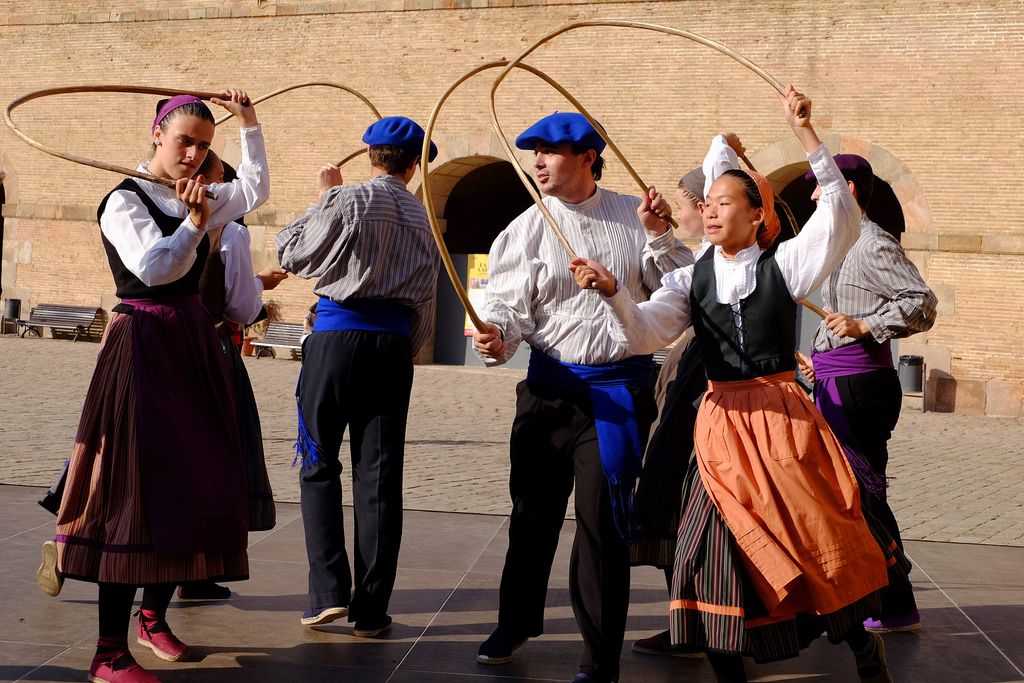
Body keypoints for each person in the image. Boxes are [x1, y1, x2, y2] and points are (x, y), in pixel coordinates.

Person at [570, 86, 905, 683]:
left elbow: (840, 214)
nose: (714, 209)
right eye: (709, 203)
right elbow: (645, 334)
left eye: (727, 201)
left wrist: (806, 133)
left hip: (783, 423)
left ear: (757, 216)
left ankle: (861, 645)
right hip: (721, 431)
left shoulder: (786, 264)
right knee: (708, 552)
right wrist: (615, 293)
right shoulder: (688, 280)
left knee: (820, 538)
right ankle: (728, 670)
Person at [48, 90, 269, 683]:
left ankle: (154, 614)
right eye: (184, 142)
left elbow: (253, 191)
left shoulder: (200, 192)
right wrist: (196, 225)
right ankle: (107, 651)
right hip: (143, 341)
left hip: (192, 344)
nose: (195, 154)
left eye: (204, 144)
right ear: (156, 135)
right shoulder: (124, 200)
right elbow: (155, 268)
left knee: (194, 478)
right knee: (133, 488)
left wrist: (248, 123)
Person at [472, 111, 691, 683]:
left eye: (550, 152)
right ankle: (516, 620)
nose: (538, 162)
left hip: (618, 393)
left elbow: (682, 283)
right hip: (548, 392)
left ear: (588, 157)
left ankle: (600, 658)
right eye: (534, 152)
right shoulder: (523, 229)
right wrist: (496, 336)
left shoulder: (632, 216)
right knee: (532, 516)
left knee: (600, 527)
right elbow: (505, 308)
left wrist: (660, 234)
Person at [276, 116, 440, 638]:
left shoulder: (347, 200)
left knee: (319, 460)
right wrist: (404, 351)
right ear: (416, 164)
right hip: (391, 348)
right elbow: (426, 304)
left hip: (335, 341)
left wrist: (324, 196)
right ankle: (371, 609)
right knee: (379, 478)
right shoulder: (423, 217)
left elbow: (294, 253)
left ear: (369, 153)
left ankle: (327, 594)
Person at [795, 153, 937, 634]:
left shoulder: (873, 243)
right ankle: (871, 595)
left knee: (863, 497)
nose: (813, 195)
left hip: (862, 388)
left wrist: (865, 326)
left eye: (819, 186)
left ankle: (898, 603)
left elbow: (922, 303)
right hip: (836, 379)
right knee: (846, 495)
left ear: (847, 190)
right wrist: (819, 356)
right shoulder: (838, 243)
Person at [176, 150, 288, 601]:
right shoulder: (230, 231)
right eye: (223, 180)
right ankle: (194, 573)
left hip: (157, 343)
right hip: (210, 351)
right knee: (214, 459)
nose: (229, 190)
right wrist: (259, 287)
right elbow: (240, 306)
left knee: (140, 448)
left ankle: (79, 538)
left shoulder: (157, 210)